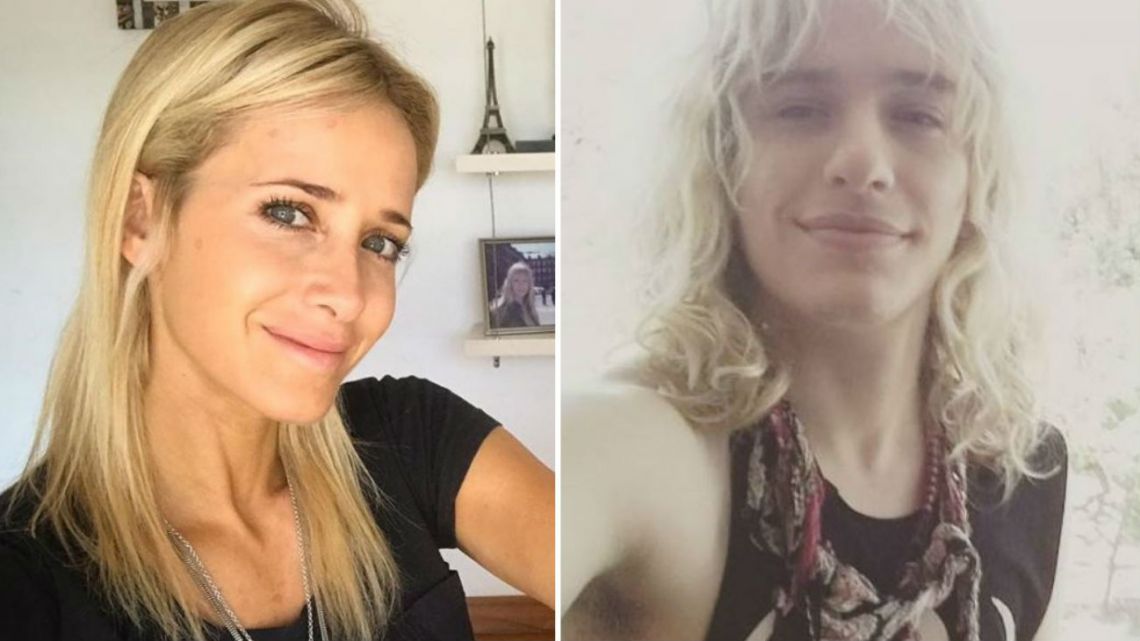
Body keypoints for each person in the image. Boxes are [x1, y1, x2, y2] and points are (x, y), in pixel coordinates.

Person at [0, 1, 553, 640]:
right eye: (288, 213)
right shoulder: (26, 585)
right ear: (141, 219)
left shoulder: (412, 441)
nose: (348, 295)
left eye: (379, 242)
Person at [562, 0, 1067, 640]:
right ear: (721, 156)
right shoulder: (646, 445)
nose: (863, 163)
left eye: (919, 115)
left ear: (977, 174)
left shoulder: (1028, 471)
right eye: (799, 108)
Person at [489, 261, 542, 330]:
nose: (521, 285)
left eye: (525, 281)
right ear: (509, 284)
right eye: (516, 280)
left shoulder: (530, 308)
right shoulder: (501, 312)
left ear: (529, 284)